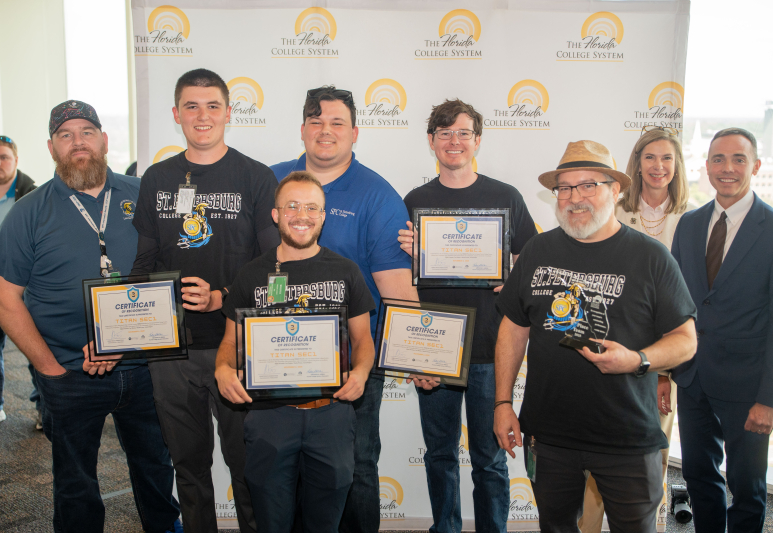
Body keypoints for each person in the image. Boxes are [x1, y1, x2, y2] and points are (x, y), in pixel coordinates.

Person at [493, 140, 697, 532]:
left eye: (589, 185)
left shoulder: (651, 257)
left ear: (616, 189)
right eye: (565, 188)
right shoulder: (537, 250)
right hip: (550, 435)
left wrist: (637, 360)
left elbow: (686, 339)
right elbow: (514, 327)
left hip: (628, 436)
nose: (575, 198)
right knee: (555, 526)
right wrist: (503, 402)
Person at [0, 101, 181, 532]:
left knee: (156, 467)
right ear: (51, 148)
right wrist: (49, 369)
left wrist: (127, 340)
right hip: (68, 372)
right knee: (75, 479)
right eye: (65, 135)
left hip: (145, 367)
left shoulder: (144, 193)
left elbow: (174, 271)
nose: (77, 142)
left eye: (87, 132)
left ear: (104, 140)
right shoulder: (28, 212)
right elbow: (6, 300)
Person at [131, 68, 280, 533]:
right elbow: (144, 263)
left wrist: (223, 297)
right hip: (171, 350)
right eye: (191, 106)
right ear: (176, 114)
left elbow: (276, 272)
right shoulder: (157, 178)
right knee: (189, 468)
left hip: (236, 348)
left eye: (213, 105)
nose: (202, 115)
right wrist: (116, 324)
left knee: (247, 465)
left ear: (228, 113)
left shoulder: (256, 177)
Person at [271, 86, 416, 533]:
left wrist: (421, 356)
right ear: (302, 129)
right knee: (284, 467)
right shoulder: (269, 182)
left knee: (356, 464)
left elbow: (396, 290)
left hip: (353, 358)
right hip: (278, 353)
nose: (326, 131)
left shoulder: (378, 195)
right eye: (316, 121)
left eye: (337, 122)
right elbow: (247, 268)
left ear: (354, 132)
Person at [397, 99, 538, 532]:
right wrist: (415, 255)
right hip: (434, 346)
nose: (453, 141)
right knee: (439, 454)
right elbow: (399, 281)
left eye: (463, 133)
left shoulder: (505, 196)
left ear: (477, 140)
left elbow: (532, 263)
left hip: (491, 347)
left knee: (489, 459)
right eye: (444, 133)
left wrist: (509, 275)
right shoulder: (414, 201)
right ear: (431, 141)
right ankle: (445, 527)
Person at [216, 171, 375, 533]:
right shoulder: (251, 274)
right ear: (276, 214)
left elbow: (364, 340)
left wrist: (361, 372)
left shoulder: (346, 271)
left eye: (311, 207)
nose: (301, 215)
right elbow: (230, 342)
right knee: (271, 520)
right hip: (270, 417)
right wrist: (223, 369)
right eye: (292, 206)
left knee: (325, 522)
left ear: (323, 216)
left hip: (331, 415)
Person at [671, 127, 773, 532]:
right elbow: (674, 306)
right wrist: (664, 372)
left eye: (738, 159)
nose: (727, 168)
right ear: (707, 167)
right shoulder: (689, 225)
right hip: (692, 378)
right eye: (719, 159)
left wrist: (770, 399)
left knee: (747, 487)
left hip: (748, 388)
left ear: (756, 166)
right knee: (698, 476)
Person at [579, 126, 694, 533]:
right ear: (637, 164)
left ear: (677, 166)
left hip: (662, 357)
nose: (658, 166)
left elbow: (685, 307)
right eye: (650, 157)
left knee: (651, 458)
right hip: (606, 347)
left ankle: (650, 526)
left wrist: (663, 372)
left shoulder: (692, 221)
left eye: (667, 158)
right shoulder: (611, 210)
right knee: (595, 456)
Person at [0, 134, 37, 424]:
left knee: (36, 347)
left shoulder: (33, 198)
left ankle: (45, 408)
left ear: (16, 160)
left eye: (4, 157)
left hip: (26, 285)